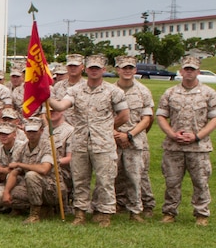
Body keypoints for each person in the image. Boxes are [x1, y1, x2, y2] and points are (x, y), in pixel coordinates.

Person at [47, 54, 128, 226]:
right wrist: (46, 97)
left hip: (103, 143)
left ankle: (105, 213)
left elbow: (124, 115)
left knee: (105, 180)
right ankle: (80, 214)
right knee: (80, 179)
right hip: (80, 142)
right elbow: (62, 106)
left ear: (103, 70)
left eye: (97, 68)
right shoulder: (76, 90)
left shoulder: (113, 91)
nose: (94, 71)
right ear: (86, 69)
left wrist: (106, 127)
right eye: (91, 68)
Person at [156, 56, 216, 226]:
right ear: (181, 71)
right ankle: (169, 212)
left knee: (200, 182)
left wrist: (197, 136)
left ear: (198, 72)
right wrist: (171, 133)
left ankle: (201, 214)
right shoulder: (171, 93)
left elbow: (214, 119)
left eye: (192, 69)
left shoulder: (209, 93)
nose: (189, 72)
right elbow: (161, 115)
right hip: (174, 147)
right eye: (186, 69)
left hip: (199, 147)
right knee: (172, 181)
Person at [111, 56, 154, 222]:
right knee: (112, 174)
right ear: (118, 70)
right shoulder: (110, 90)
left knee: (136, 176)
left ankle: (137, 209)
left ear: (135, 70)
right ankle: (115, 204)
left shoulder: (143, 91)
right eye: (123, 68)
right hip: (112, 137)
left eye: (130, 68)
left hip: (134, 139)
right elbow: (105, 115)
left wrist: (129, 134)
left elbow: (147, 118)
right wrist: (115, 133)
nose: (127, 70)